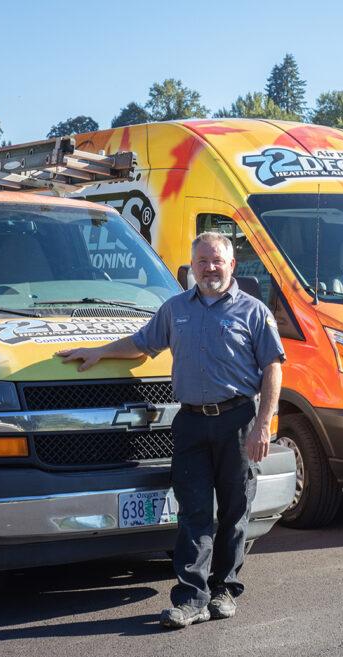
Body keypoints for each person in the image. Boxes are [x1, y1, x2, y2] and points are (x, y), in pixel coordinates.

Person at [56, 232, 285, 629]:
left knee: (234, 510)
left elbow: (273, 369)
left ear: (231, 265)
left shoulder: (254, 312)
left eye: (217, 260)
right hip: (191, 423)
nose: (210, 268)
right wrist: (99, 351)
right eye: (202, 261)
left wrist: (262, 425)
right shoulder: (175, 308)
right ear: (191, 267)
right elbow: (141, 344)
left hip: (237, 421)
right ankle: (191, 599)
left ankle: (224, 589)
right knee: (193, 512)